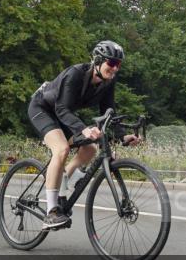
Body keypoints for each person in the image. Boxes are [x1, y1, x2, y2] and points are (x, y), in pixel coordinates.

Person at [27, 40, 140, 229]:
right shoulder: (75, 74)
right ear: (98, 60)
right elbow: (62, 108)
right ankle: (51, 212)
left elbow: (109, 111)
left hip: (63, 115)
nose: (115, 68)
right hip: (42, 109)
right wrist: (83, 129)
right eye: (111, 63)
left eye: (118, 64)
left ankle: (64, 181)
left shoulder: (108, 82)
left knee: (90, 148)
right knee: (61, 149)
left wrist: (122, 136)